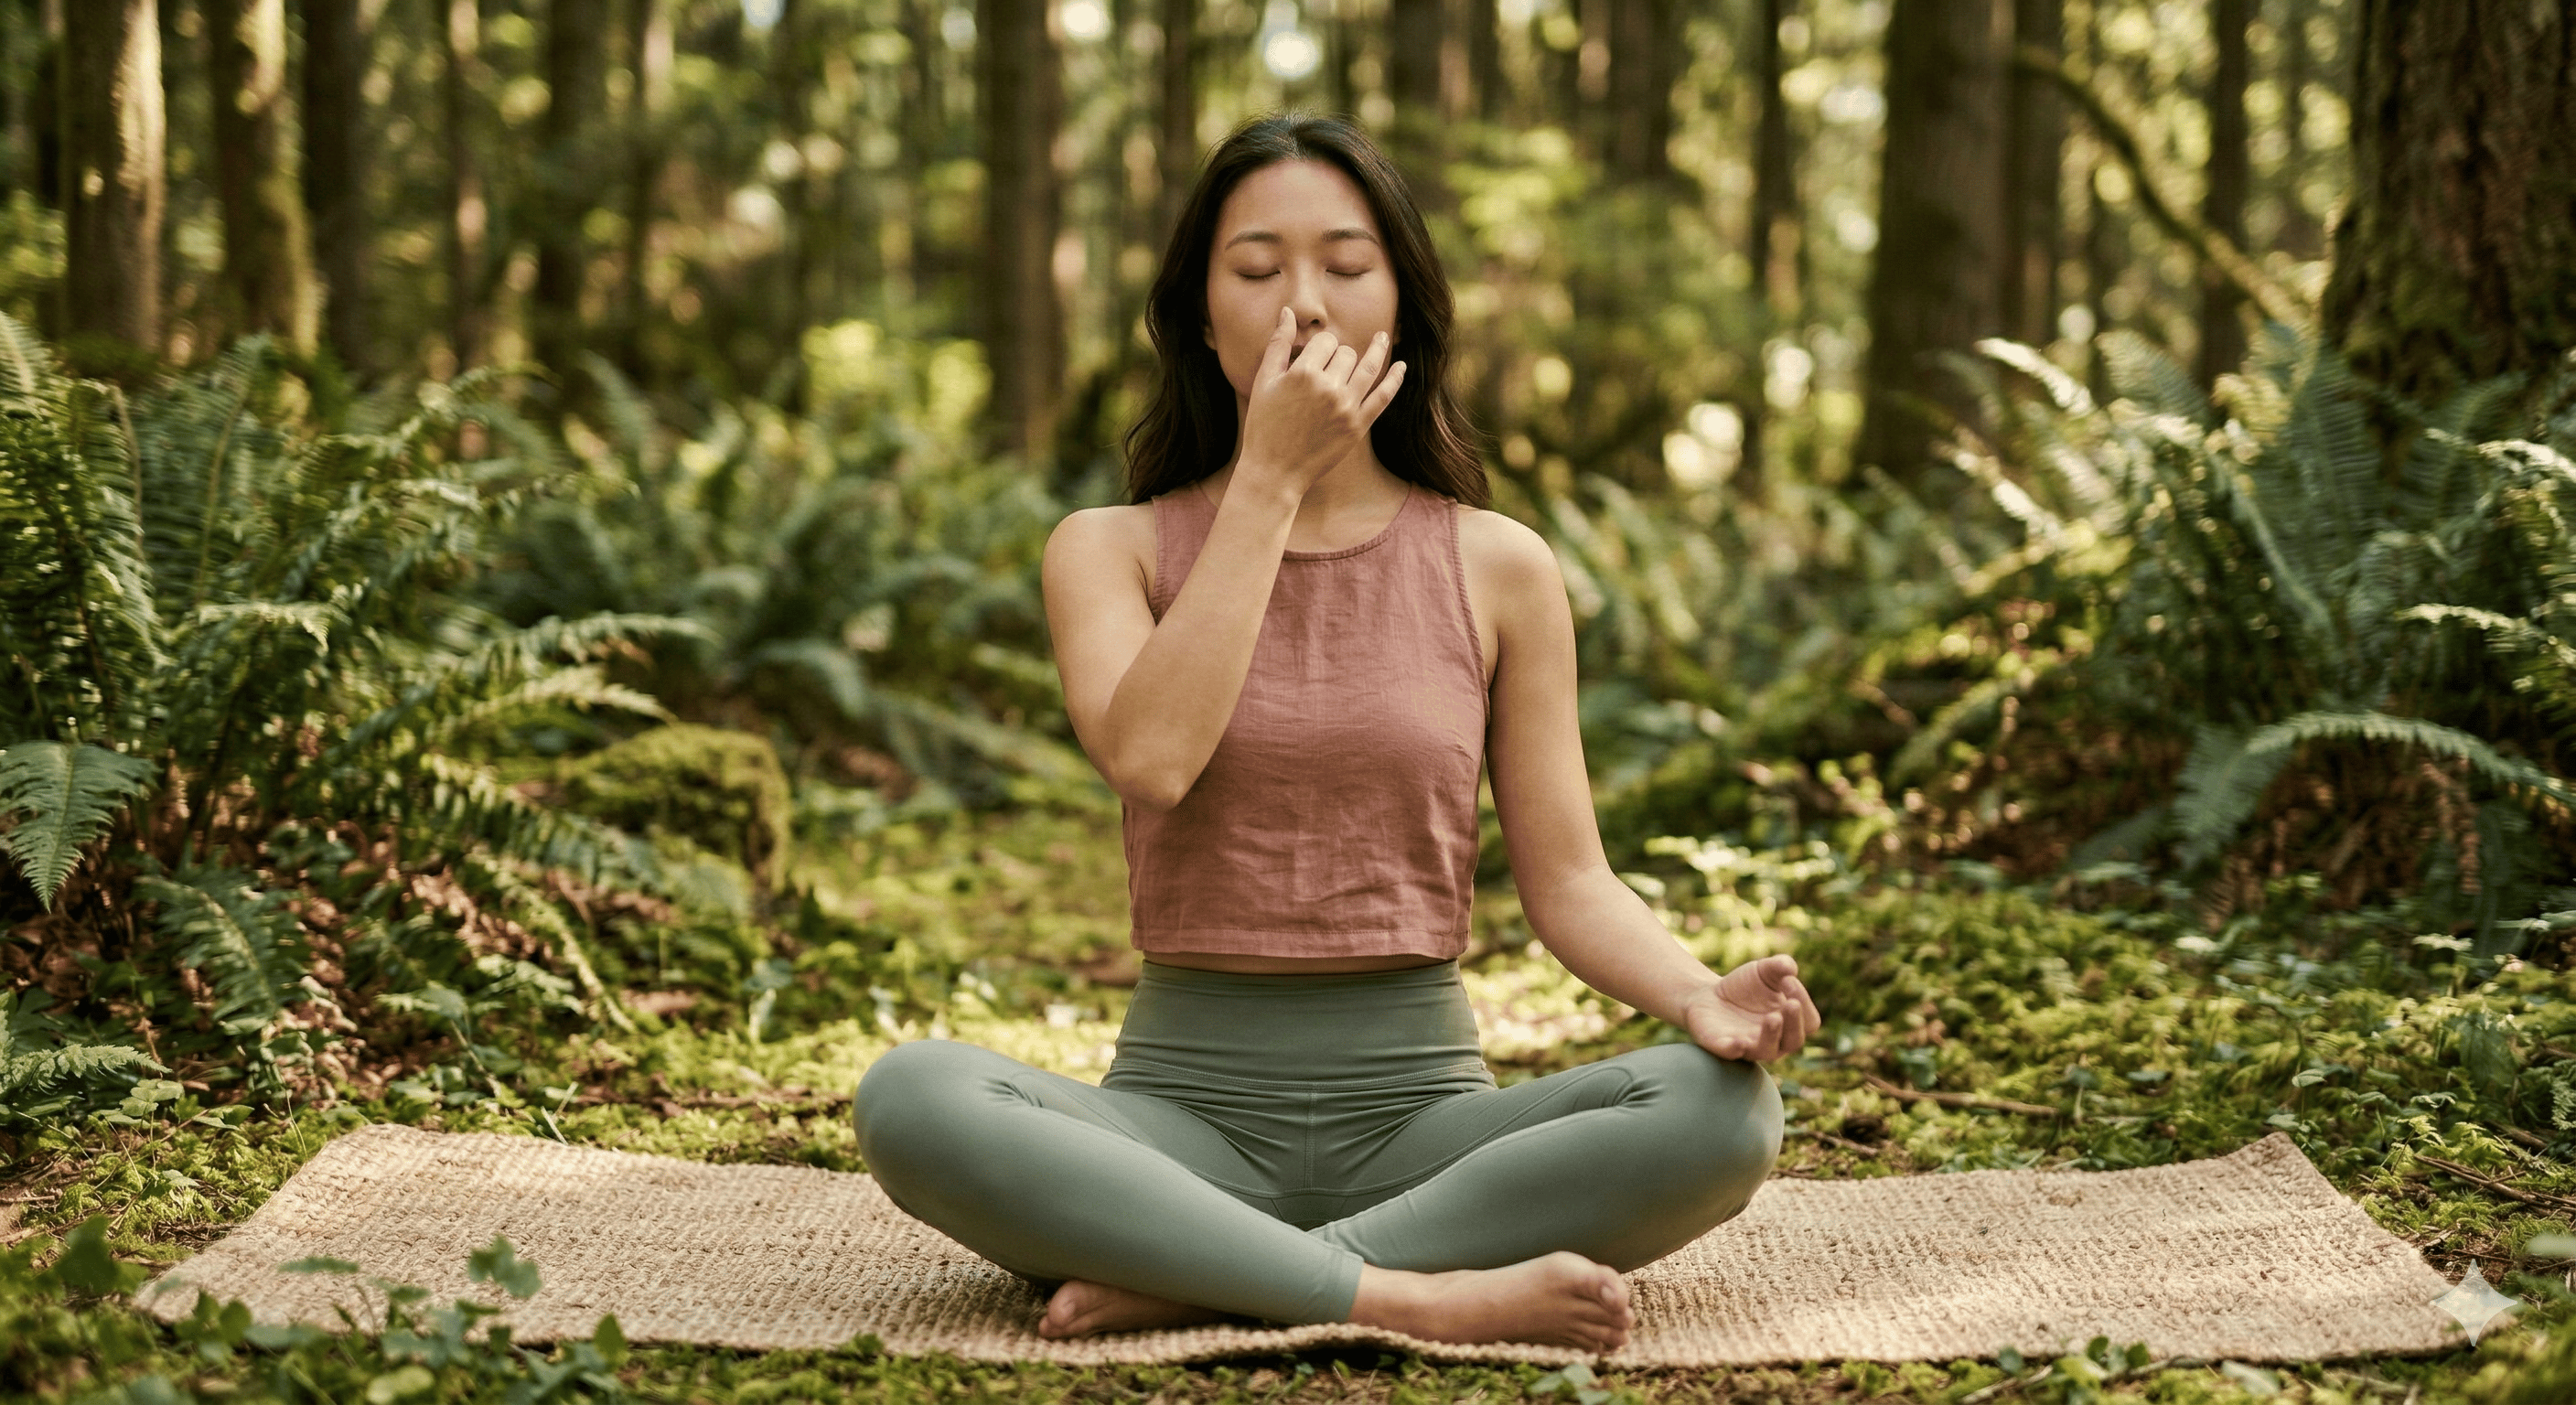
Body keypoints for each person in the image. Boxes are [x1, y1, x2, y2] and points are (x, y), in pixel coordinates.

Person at [853, 112, 1821, 1352]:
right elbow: (1151, 757)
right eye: (1256, 271)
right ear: (1204, 319)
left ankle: (1217, 1280)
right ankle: (1403, 1295)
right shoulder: (1112, 549)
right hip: (1173, 1129)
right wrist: (1267, 481)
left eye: (1345, 266)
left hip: (1428, 1132)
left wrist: (1701, 997)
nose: (1301, 305)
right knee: (914, 1096)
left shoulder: (1500, 566)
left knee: (1725, 1114)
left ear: (1404, 310)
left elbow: (1572, 881)